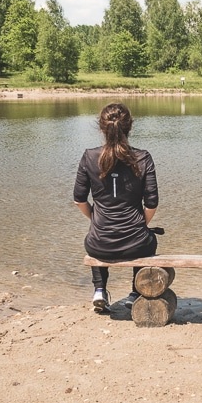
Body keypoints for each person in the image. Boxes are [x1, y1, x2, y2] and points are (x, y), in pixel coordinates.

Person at [73, 103, 159, 313]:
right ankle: (134, 293)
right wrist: (140, 224)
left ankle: (100, 290)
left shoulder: (89, 156)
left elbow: (79, 200)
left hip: (99, 244)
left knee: (94, 236)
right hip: (137, 244)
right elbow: (151, 203)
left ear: (101, 127)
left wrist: (95, 219)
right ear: (130, 126)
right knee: (150, 240)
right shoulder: (143, 157)